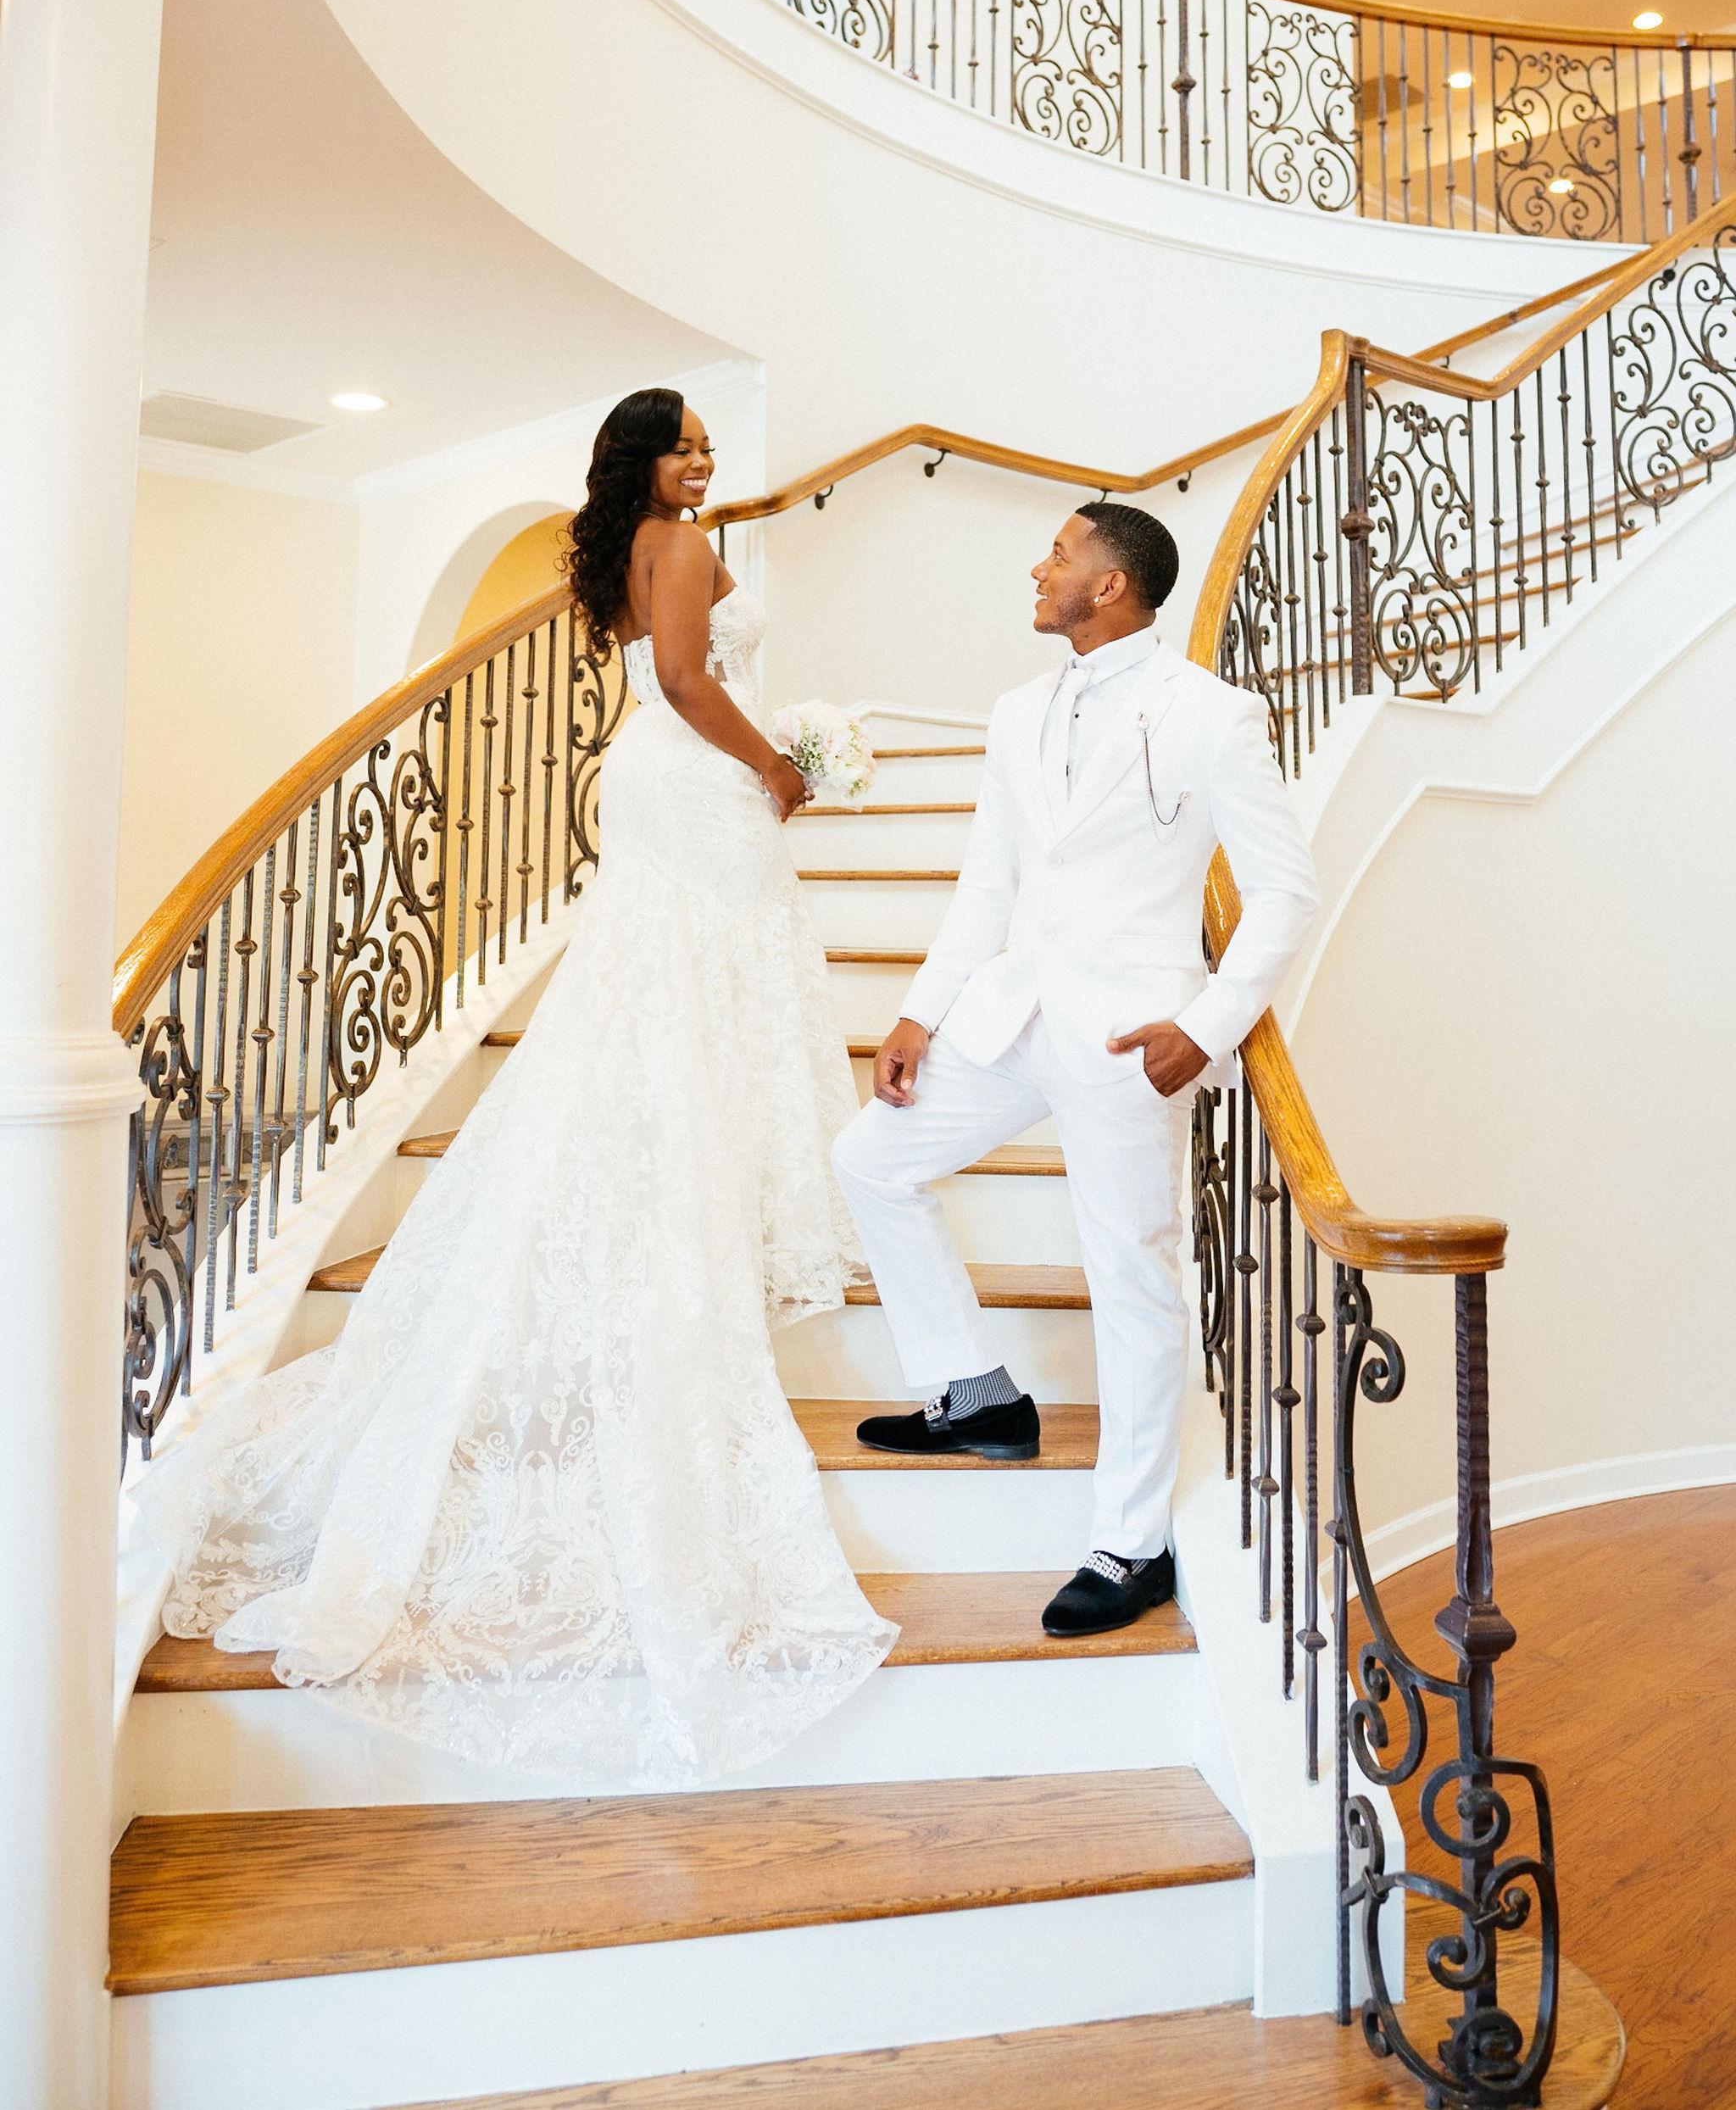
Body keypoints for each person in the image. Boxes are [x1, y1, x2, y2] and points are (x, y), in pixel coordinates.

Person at [137, 390, 894, 1785]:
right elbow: (685, 681)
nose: (703, 460)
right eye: (683, 446)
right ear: (642, 463)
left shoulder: (644, 542)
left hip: (666, 785)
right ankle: (683, 1197)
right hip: (694, 778)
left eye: (707, 444)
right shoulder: (679, 545)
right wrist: (782, 765)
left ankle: (690, 1180)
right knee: (690, 990)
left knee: (676, 998)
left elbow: (672, 675)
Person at [832, 502, 1318, 1638]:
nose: (1037, 568)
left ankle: (1129, 1544)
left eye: (1058, 554)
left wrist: (1207, 1023)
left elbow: (1284, 891)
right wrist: (920, 1011)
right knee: (869, 1160)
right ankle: (974, 1393)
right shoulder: (1017, 712)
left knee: (1131, 1278)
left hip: (1128, 1040)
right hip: (1010, 1019)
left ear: (1110, 586)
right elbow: (989, 881)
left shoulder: (1213, 716)